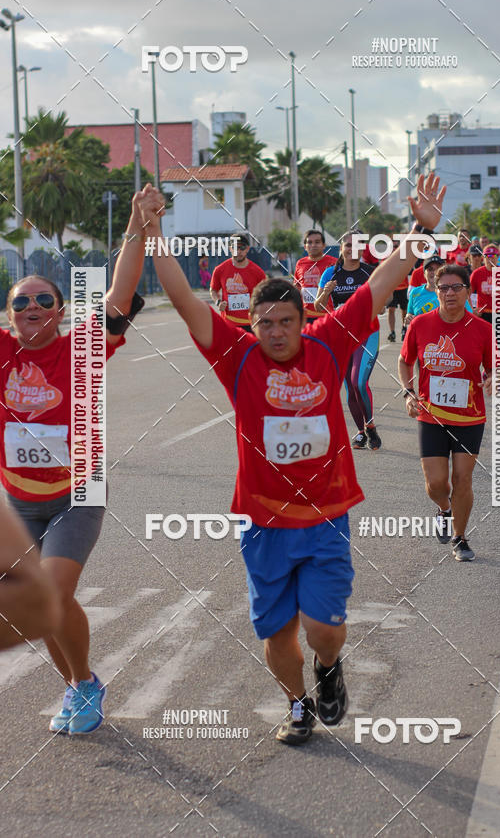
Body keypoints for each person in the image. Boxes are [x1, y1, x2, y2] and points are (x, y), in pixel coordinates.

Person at [143, 174, 447, 744]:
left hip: (327, 514)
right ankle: (297, 703)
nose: (278, 333)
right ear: (251, 326)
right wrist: (154, 229)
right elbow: (183, 299)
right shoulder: (236, 358)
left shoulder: (329, 340)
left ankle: (329, 670)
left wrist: (420, 229)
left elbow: (381, 284)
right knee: (278, 633)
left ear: (303, 319)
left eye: (288, 321)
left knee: (323, 628)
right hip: (261, 522)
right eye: (267, 324)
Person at [1, 186, 150, 732]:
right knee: (38, 609)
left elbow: (122, 288)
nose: (32, 307)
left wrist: (135, 220)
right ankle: (80, 686)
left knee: (53, 593)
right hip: (17, 502)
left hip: (77, 495)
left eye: (43, 300)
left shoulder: (80, 349)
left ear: (61, 311)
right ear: (9, 314)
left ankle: (84, 683)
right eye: (21, 301)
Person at [398, 264, 493, 562]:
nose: (449, 293)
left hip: (469, 416)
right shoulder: (420, 325)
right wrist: (408, 391)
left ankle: (460, 537)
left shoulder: (482, 329)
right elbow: (405, 361)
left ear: (467, 291)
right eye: (444, 288)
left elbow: (495, 368)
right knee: (437, 484)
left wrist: (493, 378)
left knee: (463, 479)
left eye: (456, 287)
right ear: (435, 290)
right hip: (431, 415)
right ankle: (443, 508)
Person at [315, 234, 381, 450]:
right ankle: (361, 432)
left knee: (359, 382)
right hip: (340, 337)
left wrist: (375, 302)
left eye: (357, 245)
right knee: (349, 389)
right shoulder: (330, 273)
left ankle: (370, 425)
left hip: (366, 334)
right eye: (348, 245)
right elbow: (318, 306)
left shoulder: (370, 272)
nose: (353, 249)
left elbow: (383, 301)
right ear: (341, 248)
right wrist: (326, 292)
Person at [0, 498, 60, 650]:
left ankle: (81, 675)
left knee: (57, 592)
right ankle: (79, 675)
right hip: (23, 499)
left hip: (81, 488)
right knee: (54, 597)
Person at [210, 234, 266, 331]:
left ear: (247, 249)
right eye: (235, 248)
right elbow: (213, 290)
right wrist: (218, 302)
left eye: (242, 248)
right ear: (230, 249)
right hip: (229, 322)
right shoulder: (220, 269)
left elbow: (266, 294)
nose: (238, 251)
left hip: (251, 323)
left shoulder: (257, 272)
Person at [293, 229, 337, 324]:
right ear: (305, 246)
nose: (313, 245)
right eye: (309, 242)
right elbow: (297, 288)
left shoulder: (334, 263)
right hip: (306, 317)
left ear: (324, 245)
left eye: (317, 242)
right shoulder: (300, 263)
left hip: (327, 316)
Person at [470, 245, 499, 323]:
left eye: (493, 256)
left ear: (497, 257)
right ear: (483, 258)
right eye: (487, 256)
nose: (490, 259)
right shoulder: (476, 273)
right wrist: (472, 309)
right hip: (483, 313)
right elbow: (467, 294)